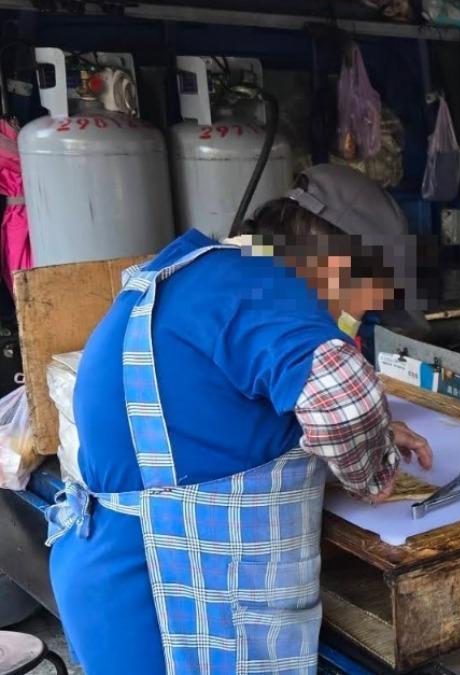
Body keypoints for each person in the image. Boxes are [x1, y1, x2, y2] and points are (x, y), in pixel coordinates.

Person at [45, 164, 433, 674]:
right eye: (369, 299)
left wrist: (374, 427)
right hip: (159, 593)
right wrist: (374, 468)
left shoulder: (205, 270)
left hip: (108, 563)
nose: (360, 318)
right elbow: (345, 399)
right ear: (337, 265)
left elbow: (222, 411)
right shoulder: (265, 288)